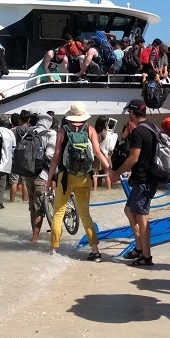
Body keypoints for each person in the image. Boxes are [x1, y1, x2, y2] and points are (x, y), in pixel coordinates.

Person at [45, 102, 111, 259]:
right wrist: (109, 170)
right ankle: (95, 251)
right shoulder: (90, 129)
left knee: (58, 213)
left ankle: (53, 250)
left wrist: (49, 179)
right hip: (85, 177)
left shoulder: (63, 130)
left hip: (66, 177)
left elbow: (56, 156)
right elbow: (97, 152)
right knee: (85, 214)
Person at [111, 99, 160, 266]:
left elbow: (133, 158)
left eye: (128, 111)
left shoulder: (139, 131)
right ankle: (139, 247)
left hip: (144, 180)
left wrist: (116, 173)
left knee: (142, 217)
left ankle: (146, 256)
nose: (128, 114)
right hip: (148, 178)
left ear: (132, 112)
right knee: (129, 210)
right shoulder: (152, 127)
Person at [21, 113, 56, 242]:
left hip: (28, 173)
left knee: (32, 207)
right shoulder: (51, 134)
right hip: (42, 174)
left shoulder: (29, 132)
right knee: (40, 208)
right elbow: (50, 154)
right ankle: (34, 240)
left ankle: (34, 234)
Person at [93, 116, 117, 191]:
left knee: (95, 174)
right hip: (107, 155)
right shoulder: (111, 134)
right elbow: (111, 148)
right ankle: (109, 190)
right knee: (107, 174)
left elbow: (96, 145)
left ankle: (94, 190)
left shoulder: (97, 133)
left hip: (98, 155)